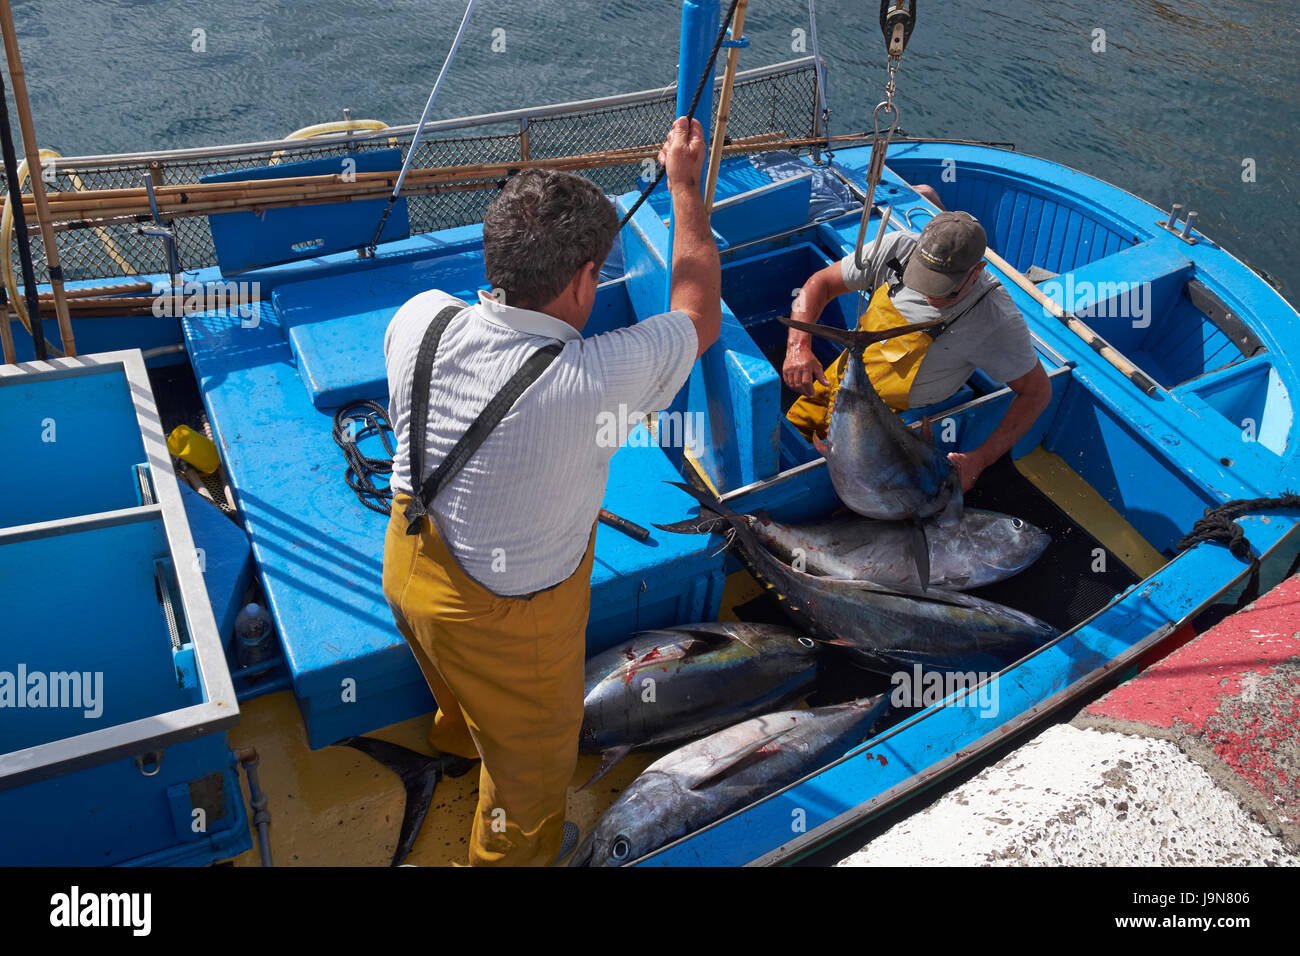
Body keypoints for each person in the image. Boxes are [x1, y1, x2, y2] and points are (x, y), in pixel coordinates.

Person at [380, 116, 720, 866]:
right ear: (581, 281)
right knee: (534, 781)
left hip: (408, 571)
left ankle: (460, 741)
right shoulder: (593, 380)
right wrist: (686, 189)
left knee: (457, 691)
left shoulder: (419, 320)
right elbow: (699, 314)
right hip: (511, 626)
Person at [783, 194, 1051, 491]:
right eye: (922, 279)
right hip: (837, 380)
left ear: (977, 270)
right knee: (787, 447)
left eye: (944, 289)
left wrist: (981, 459)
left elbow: (1036, 393)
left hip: (895, 424)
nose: (929, 295)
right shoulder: (899, 246)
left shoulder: (994, 318)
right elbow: (821, 283)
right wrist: (799, 347)